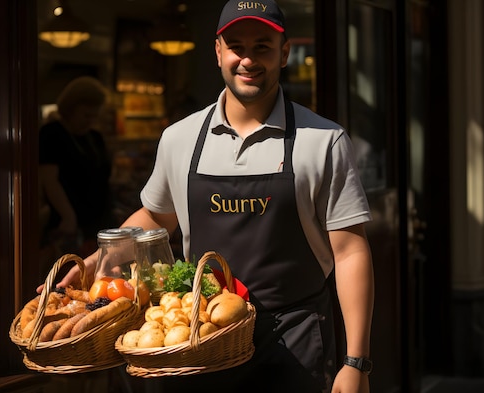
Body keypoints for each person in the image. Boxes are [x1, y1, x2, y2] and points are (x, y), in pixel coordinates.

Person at [43, 2, 374, 392]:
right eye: (236, 46)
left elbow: (350, 252)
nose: (248, 59)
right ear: (218, 52)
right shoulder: (180, 138)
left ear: (285, 52)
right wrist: (97, 260)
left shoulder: (323, 141)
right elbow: (156, 216)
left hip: (293, 342)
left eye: (263, 47)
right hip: (197, 339)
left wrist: (356, 363)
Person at [38, 76, 113, 277]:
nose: (90, 121)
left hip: (98, 221)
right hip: (68, 223)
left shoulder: (94, 137)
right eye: (86, 115)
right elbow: (48, 179)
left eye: (94, 116)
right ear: (71, 108)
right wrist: (67, 216)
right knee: (67, 277)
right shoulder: (51, 133)